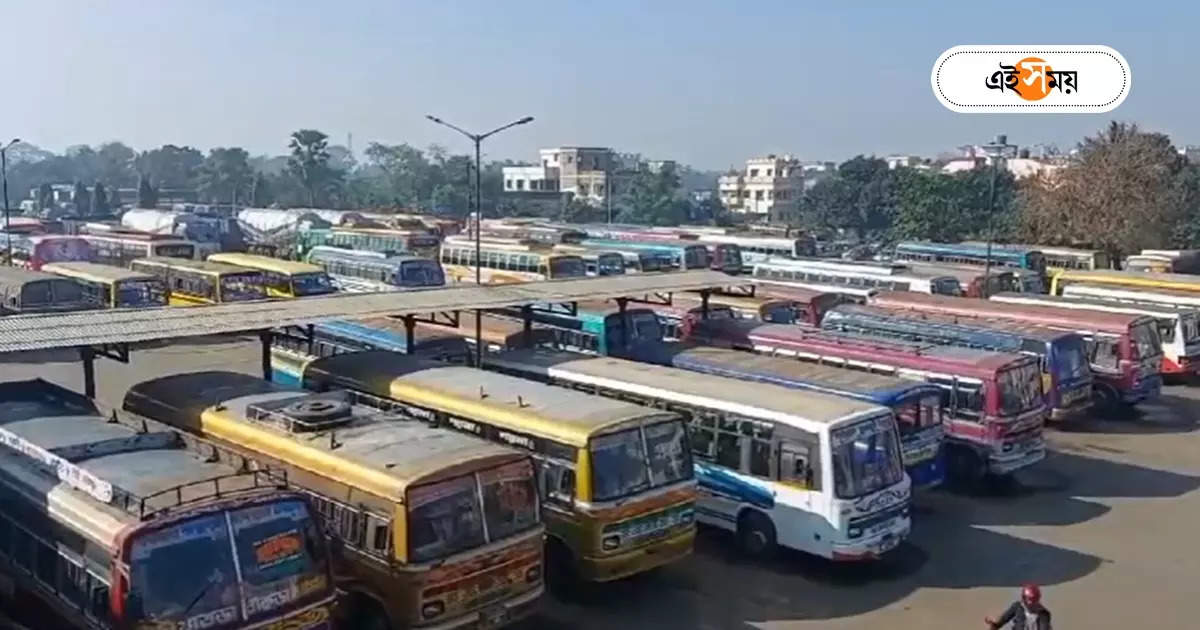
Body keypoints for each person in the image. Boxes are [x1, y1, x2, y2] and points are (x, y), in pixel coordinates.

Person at [985, 584, 1051, 630]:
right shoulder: (1017, 607)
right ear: (1024, 598)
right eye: (1029, 600)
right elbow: (1003, 619)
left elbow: (1044, 627)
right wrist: (994, 624)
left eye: (1034, 600)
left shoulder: (1043, 613)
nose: (1031, 603)